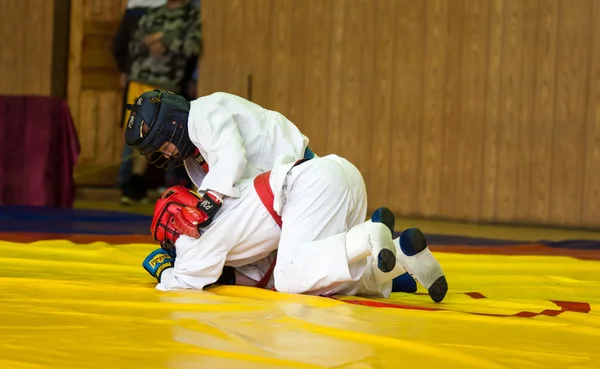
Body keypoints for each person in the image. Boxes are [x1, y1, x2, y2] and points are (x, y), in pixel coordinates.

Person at [140, 153, 448, 302]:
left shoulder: (194, 241)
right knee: (324, 281)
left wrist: (165, 270)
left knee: (290, 278)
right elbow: (254, 271)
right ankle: (400, 254)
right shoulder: (221, 194)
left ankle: (368, 235)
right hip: (333, 172)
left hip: (309, 189)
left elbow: (181, 284)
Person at [124, 88, 315, 230]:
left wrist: (205, 207)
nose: (166, 155)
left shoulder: (206, 112)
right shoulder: (193, 150)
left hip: (303, 174)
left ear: (174, 125)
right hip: (279, 189)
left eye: (165, 147)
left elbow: (232, 158)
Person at [119, 0, 201, 205]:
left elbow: (193, 46)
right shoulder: (153, 14)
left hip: (166, 83)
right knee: (133, 129)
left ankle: (154, 186)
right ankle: (128, 184)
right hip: (140, 79)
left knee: (160, 133)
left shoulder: (192, 16)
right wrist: (149, 43)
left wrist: (163, 42)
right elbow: (133, 44)